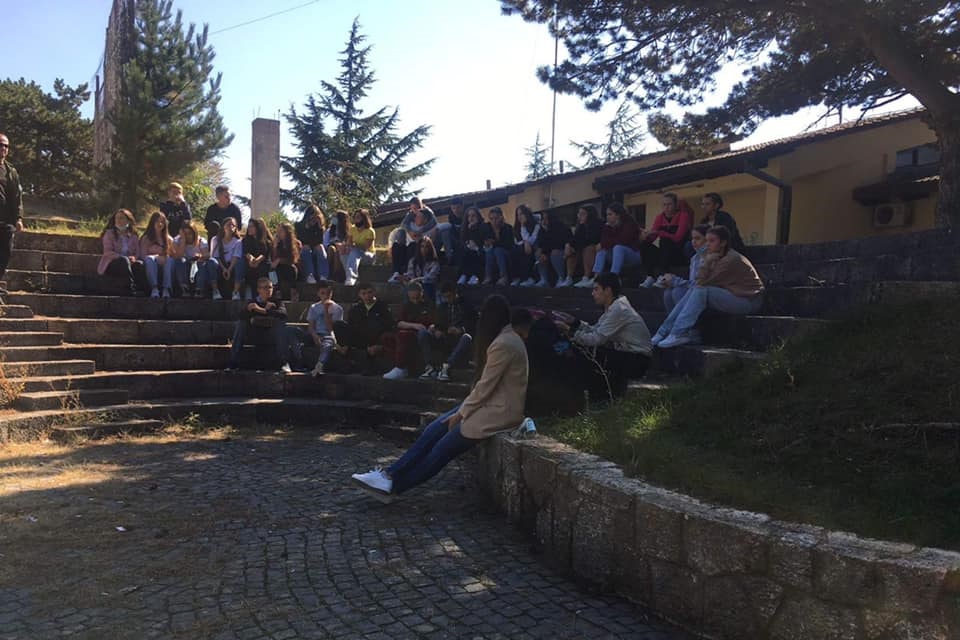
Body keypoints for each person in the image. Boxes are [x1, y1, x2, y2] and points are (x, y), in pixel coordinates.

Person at [351, 298, 532, 498]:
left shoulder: (503, 344)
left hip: (498, 412)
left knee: (441, 450)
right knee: (434, 429)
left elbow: (485, 387)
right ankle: (389, 475)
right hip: (490, 405)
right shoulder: (506, 339)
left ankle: (394, 486)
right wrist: (463, 411)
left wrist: (461, 414)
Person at [653, 225, 764, 349]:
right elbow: (699, 282)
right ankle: (664, 331)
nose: (707, 244)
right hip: (732, 294)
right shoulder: (715, 256)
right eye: (707, 240)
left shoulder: (729, 259)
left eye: (712, 241)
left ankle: (678, 332)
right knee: (691, 290)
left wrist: (706, 261)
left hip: (749, 301)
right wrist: (708, 260)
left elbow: (701, 282)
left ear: (723, 243)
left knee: (700, 290)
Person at [557, 272, 652, 400]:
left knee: (587, 353)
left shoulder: (619, 309)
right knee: (585, 350)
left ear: (607, 290)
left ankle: (598, 397)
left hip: (637, 361)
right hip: (628, 355)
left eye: (596, 289)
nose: (593, 293)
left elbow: (596, 339)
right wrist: (575, 322)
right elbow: (595, 330)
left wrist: (570, 331)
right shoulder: (614, 306)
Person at [226, 277, 292, 373]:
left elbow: (283, 315)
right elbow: (241, 316)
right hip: (255, 335)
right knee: (241, 323)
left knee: (280, 324)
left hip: (271, 336)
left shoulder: (277, 302)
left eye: (270, 287)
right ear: (258, 290)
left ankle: (284, 363)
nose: (268, 290)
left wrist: (263, 310)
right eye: (264, 287)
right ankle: (233, 362)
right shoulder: (253, 302)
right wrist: (250, 310)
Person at [418, 282, 477, 381]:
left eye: (449, 296)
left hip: (459, 340)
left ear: (455, 293)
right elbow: (438, 324)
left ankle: (447, 366)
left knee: (466, 337)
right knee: (422, 333)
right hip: (444, 339)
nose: (447, 299)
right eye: (445, 297)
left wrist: (461, 330)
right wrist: (436, 330)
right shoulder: (442, 307)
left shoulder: (467, 306)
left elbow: (474, 323)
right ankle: (430, 367)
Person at [336, 282, 397, 375]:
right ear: (359, 295)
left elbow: (389, 325)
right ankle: (346, 360)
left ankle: (369, 366)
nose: (367, 296)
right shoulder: (356, 308)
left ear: (374, 292)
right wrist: (344, 343)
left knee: (373, 325)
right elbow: (350, 325)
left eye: (369, 292)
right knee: (339, 325)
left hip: (376, 338)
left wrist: (379, 344)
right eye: (363, 293)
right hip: (359, 337)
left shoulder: (382, 307)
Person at [577, 202, 640, 287]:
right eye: (607, 214)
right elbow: (604, 240)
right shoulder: (608, 225)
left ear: (618, 215)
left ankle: (613, 277)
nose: (607, 217)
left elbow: (623, 240)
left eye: (610, 214)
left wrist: (612, 232)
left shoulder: (629, 223)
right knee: (602, 250)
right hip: (617, 255)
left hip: (633, 254)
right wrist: (609, 228)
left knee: (618, 247)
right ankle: (596, 278)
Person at [637, 192, 692, 288]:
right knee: (644, 245)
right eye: (664, 205)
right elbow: (653, 237)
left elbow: (678, 238)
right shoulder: (659, 217)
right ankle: (650, 276)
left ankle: (663, 276)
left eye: (669, 204)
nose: (666, 207)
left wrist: (660, 233)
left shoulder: (683, 216)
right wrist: (645, 236)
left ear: (675, 205)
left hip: (678, 252)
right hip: (664, 253)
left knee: (666, 241)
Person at [383, 281, 435, 380]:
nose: (415, 300)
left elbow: (434, 321)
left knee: (404, 336)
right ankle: (397, 366)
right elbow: (399, 322)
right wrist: (414, 325)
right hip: (409, 330)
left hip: (423, 333)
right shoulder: (406, 306)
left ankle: (400, 368)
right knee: (387, 337)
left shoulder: (429, 305)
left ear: (422, 293)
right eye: (412, 298)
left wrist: (431, 327)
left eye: (417, 298)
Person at [658, 224, 710, 311]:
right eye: (692, 239)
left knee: (677, 291)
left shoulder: (711, 257)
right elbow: (691, 282)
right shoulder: (695, 258)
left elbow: (698, 284)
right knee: (668, 292)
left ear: (707, 240)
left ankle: (686, 318)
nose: (693, 242)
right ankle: (674, 318)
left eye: (697, 238)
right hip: (694, 290)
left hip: (705, 293)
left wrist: (675, 281)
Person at [97, 208, 147, 296]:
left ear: (128, 221)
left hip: (129, 263)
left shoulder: (134, 236)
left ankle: (144, 290)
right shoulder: (109, 234)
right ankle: (131, 288)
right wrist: (122, 257)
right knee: (124, 260)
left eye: (121, 218)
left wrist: (133, 258)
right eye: (117, 218)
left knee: (139, 264)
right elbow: (108, 252)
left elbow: (137, 252)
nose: (118, 220)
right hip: (112, 263)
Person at [389, 197, 438, 283]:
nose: (416, 212)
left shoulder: (429, 216)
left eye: (418, 208)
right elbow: (403, 225)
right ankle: (396, 272)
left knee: (413, 246)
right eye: (414, 209)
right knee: (397, 244)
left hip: (421, 244)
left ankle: (406, 274)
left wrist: (420, 233)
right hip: (410, 243)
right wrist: (410, 232)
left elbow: (433, 226)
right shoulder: (411, 217)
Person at [301, 279, 344, 377]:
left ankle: (319, 365)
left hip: (328, 335)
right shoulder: (314, 307)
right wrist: (315, 336)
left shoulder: (338, 309)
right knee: (291, 331)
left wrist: (326, 310)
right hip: (314, 334)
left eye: (328, 293)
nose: (326, 296)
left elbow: (332, 329)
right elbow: (311, 326)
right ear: (318, 294)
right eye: (323, 293)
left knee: (328, 345)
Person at [0, 133, 23, 297]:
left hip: (5, 219)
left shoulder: (11, 172)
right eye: (0, 144)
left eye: (6, 146)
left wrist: (19, 218)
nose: (3, 148)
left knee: (5, 251)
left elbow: (17, 197)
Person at [198, 216, 243, 300]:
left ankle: (236, 291)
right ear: (223, 227)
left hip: (231, 265)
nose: (231, 227)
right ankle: (215, 290)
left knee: (240, 262)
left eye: (233, 225)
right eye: (228, 225)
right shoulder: (215, 239)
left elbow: (236, 256)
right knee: (211, 262)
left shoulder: (238, 242)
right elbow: (215, 256)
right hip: (219, 265)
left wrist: (229, 269)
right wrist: (223, 269)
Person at [139, 211, 175, 298]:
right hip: (151, 263)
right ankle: (154, 288)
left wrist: (164, 256)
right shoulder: (146, 238)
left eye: (162, 222)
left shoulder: (169, 239)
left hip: (165, 262)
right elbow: (143, 255)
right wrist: (156, 256)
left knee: (169, 260)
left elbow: (173, 254)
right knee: (149, 259)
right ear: (152, 223)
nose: (160, 224)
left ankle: (166, 289)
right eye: (157, 221)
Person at [534, 210, 573, 287]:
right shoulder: (542, 230)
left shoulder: (561, 227)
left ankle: (561, 278)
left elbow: (565, 240)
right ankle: (544, 279)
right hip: (549, 252)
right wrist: (542, 252)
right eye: (543, 219)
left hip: (561, 251)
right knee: (538, 254)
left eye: (546, 219)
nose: (544, 221)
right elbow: (542, 244)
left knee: (555, 253)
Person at [568, 205, 603, 288]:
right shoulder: (581, 227)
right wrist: (569, 245)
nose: (579, 216)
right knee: (571, 250)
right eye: (579, 214)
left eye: (583, 214)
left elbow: (593, 240)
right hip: (583, 251)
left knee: (588, 248)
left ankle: (586, 277)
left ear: (590, 215)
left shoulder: (598, 224)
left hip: (596, 251)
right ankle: (568, 278)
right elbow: (575, 240)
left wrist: (580, 245)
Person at [171, 220, 207, 297]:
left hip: (196, 264)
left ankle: (199, 289)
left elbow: (207, 255)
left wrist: (200, 256)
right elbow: (178, 255)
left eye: (189, 233)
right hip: (184, 265)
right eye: (185, 234)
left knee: (202, 263)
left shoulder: (201, 241)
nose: (187, 236)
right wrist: (183, 240)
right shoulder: (177, 240)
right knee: (180, 260)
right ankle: (184, 288)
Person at [296, 203, 328, 284]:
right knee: (306, 247)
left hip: (315, 249)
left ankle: (323, 275)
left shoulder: (319, 227)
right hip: (303, 250)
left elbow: (320, 241)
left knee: (320, 247)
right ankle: (309, 275)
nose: (314, 218)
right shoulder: (299, 225)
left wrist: (320, 228)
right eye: (312, 216)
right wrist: (307, 228)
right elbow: (301, 240)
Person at [242, 218, 273, 300]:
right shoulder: (246, 240)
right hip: (250, 263)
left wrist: (257, 261)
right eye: (249, 226)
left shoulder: (266, 241)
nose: (249, 228)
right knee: (250, 270)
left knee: (261, 269)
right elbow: (246, 252)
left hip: (263, 263)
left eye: (252, 226)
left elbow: (264, 254)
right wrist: (251, 259)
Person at [481, 206, 513, 286]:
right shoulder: (487, 227)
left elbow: (508, 245)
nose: (494, 221)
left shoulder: (508, 228)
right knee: (490, 251)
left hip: (506, 253)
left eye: (496, 218)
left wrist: (495, 242)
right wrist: (487, 243)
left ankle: (504, 276)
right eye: (491, 219)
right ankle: (488, 276)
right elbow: (486, 242)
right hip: (491, 253)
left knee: (497, 250)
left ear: (501, 217)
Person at [402, 236, 440, 301]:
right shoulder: (413, 261)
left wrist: (417, 279)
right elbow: (410, 274)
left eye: (426, 247)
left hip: (427, 285)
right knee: (407, 287)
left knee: (427, 287)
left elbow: (431, 277)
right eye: (422, 246)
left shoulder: (434, 263)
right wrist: (405, 278)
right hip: (415, 285)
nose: (424, 249)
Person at [345, 208, 375, 286]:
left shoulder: (370, 231)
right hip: (356, 253)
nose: (356, 219)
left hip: (368, 255)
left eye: (358, 217)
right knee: (344, 253)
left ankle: (352, 277)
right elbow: (349, 243)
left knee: (355, 251)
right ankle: (345, 277)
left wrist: (354, 246)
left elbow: (366, 247)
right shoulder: (352, 229)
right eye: (355, 217)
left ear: (364, 218)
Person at [456, 207, 486, 286]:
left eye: (473, 215)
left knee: (473, 252)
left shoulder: (484, 227)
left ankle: (475, 276)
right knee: (463, 251)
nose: (471, 218)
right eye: (469, 216)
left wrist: (476, 247)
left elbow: (482, 242)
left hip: (481, 252)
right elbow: (464, 242)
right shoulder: (465, 229)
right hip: (468, 252)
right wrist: (470, 230)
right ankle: (464, 275)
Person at [272, 223, 302, 301]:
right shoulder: (277, 243)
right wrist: (275, 247)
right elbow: (273, 260)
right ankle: (277, 291)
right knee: (272, 271)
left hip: (291, 266)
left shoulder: (296, 243)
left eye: (281, 231)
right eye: (277, 231)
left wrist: (280, 260)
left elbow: (293, 259)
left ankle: (293, 291)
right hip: (279, 267)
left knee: (292, 269)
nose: (278, 233)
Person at [513, 204, 541, 286]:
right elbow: (517, 241)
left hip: (535, 248)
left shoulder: (536, 225)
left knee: (523, 249)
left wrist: (523, 227)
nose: (519, 217)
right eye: (518, 215)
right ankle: (518, 277)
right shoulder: (516, 228)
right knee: (516, 249)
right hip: (524, 249)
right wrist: (525, 243)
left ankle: (529, 278)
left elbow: (533, 240)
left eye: (521, 214)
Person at [436, 196, 463, 265]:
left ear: (462, 207)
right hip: (455, 242)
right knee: (445, 231)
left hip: (466, 240)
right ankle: (448, 256)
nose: (456, 210)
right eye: (454, 208)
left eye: (458, 207)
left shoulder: (467, 215)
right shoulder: (451, 217)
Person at [324, 210, 350, 283]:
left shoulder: (348, 232)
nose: (333, 218)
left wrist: (342, 245)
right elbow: (325, 243)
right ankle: (329, 273)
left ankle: (336, 275)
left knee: (338, 252)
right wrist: (334, 243)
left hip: (342, 250)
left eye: (336, 217)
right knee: (332, 249)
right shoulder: (329, 231)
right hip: (330, 248)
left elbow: (349, 243)